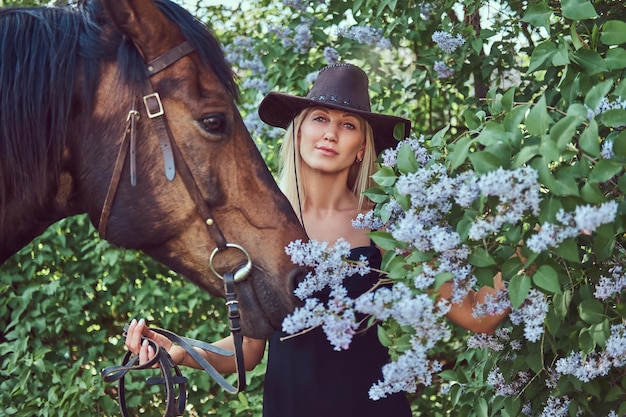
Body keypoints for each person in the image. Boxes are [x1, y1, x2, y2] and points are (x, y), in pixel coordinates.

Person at [125, 63, 509, 416]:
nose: (330, 133)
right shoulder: (259, 229)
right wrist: (177, 351)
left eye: (348, 125)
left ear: (361, 147)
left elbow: (478, 316)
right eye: (320, 119)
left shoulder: (387, 225)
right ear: (298, 131)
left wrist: (535, 239)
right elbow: (247, 349)